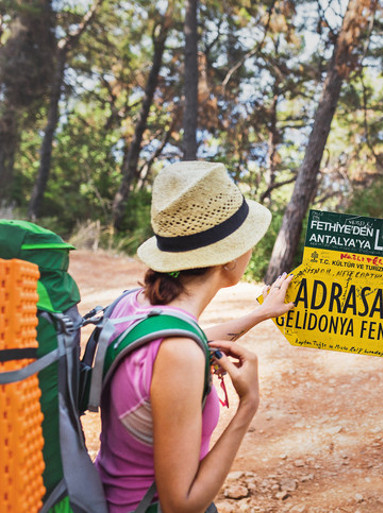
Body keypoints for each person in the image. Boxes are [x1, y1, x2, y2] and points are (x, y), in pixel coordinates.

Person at [94, 161, 295, 513]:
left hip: (107, 497)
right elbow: (181, 505)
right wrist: (249, 404)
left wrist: (260, 313)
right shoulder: (180, 354)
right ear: (229, 258)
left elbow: (178, 338)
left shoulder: (133, 303)